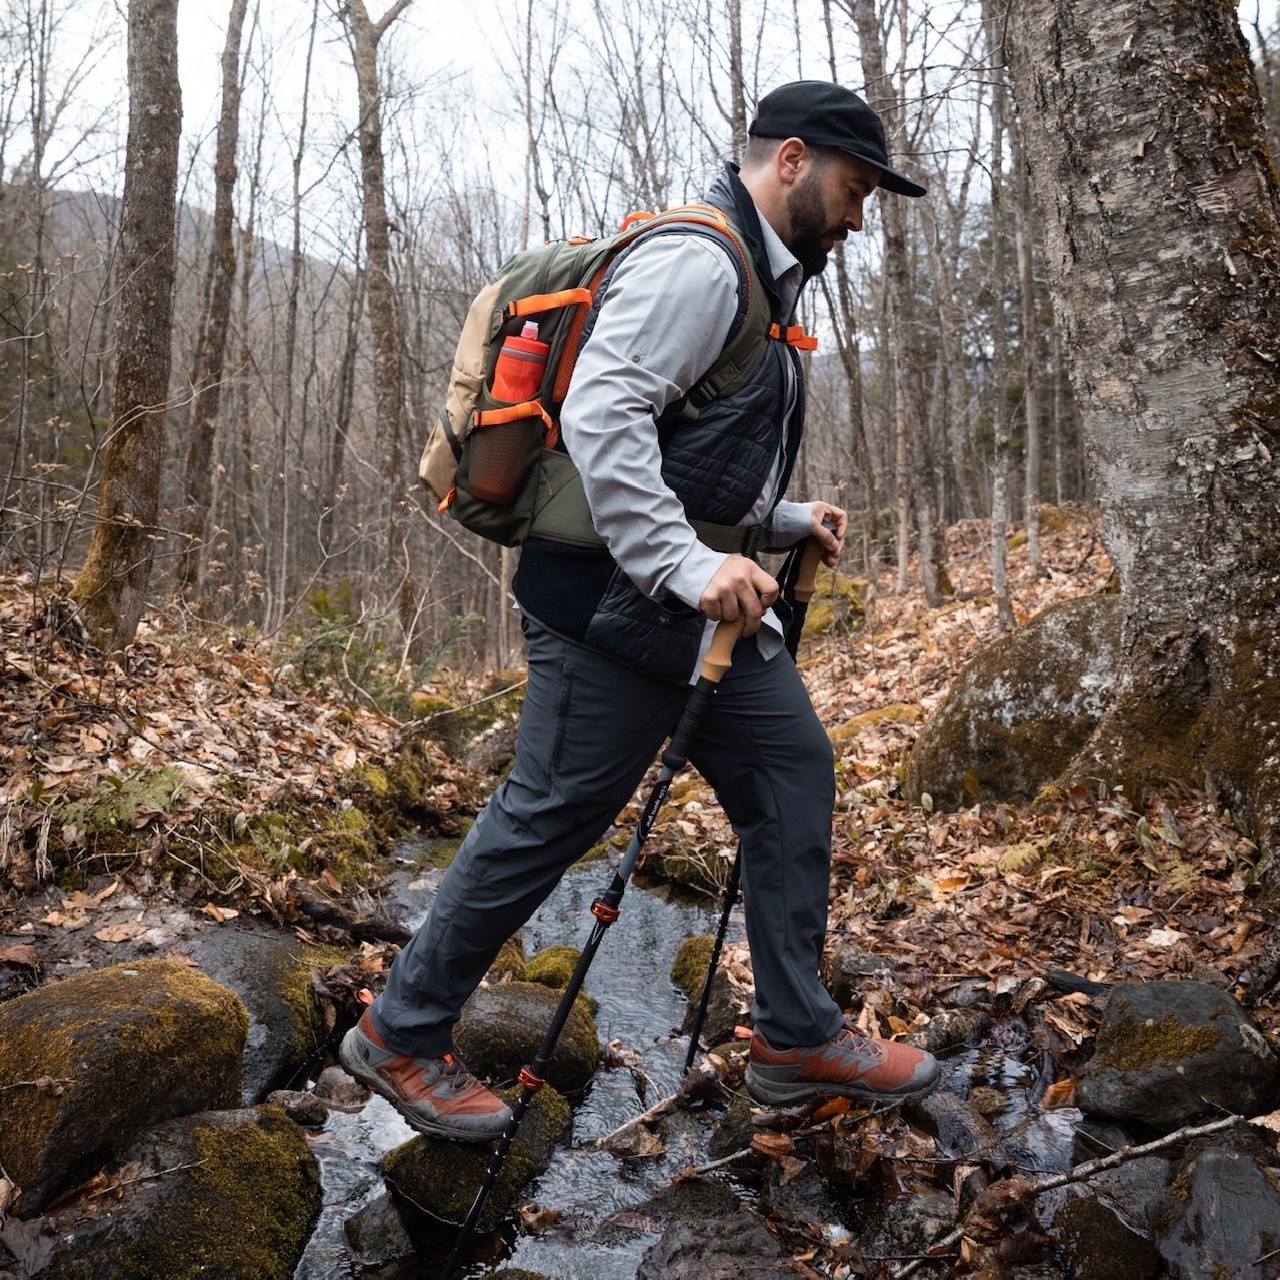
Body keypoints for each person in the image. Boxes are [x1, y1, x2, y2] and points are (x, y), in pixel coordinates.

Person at [341, 81, 941, 1140]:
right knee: (550, 816)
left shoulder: (759, 276)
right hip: (609, 605)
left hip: (682, 600)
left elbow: (687, 450)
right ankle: (400, 1028)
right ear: (791, 162)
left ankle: (794, 1034)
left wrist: (782, 518)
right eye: (854, 188)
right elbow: (604, 410)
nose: (858, 216)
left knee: (792, 767)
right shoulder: (700, 260)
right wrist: (682, 559)